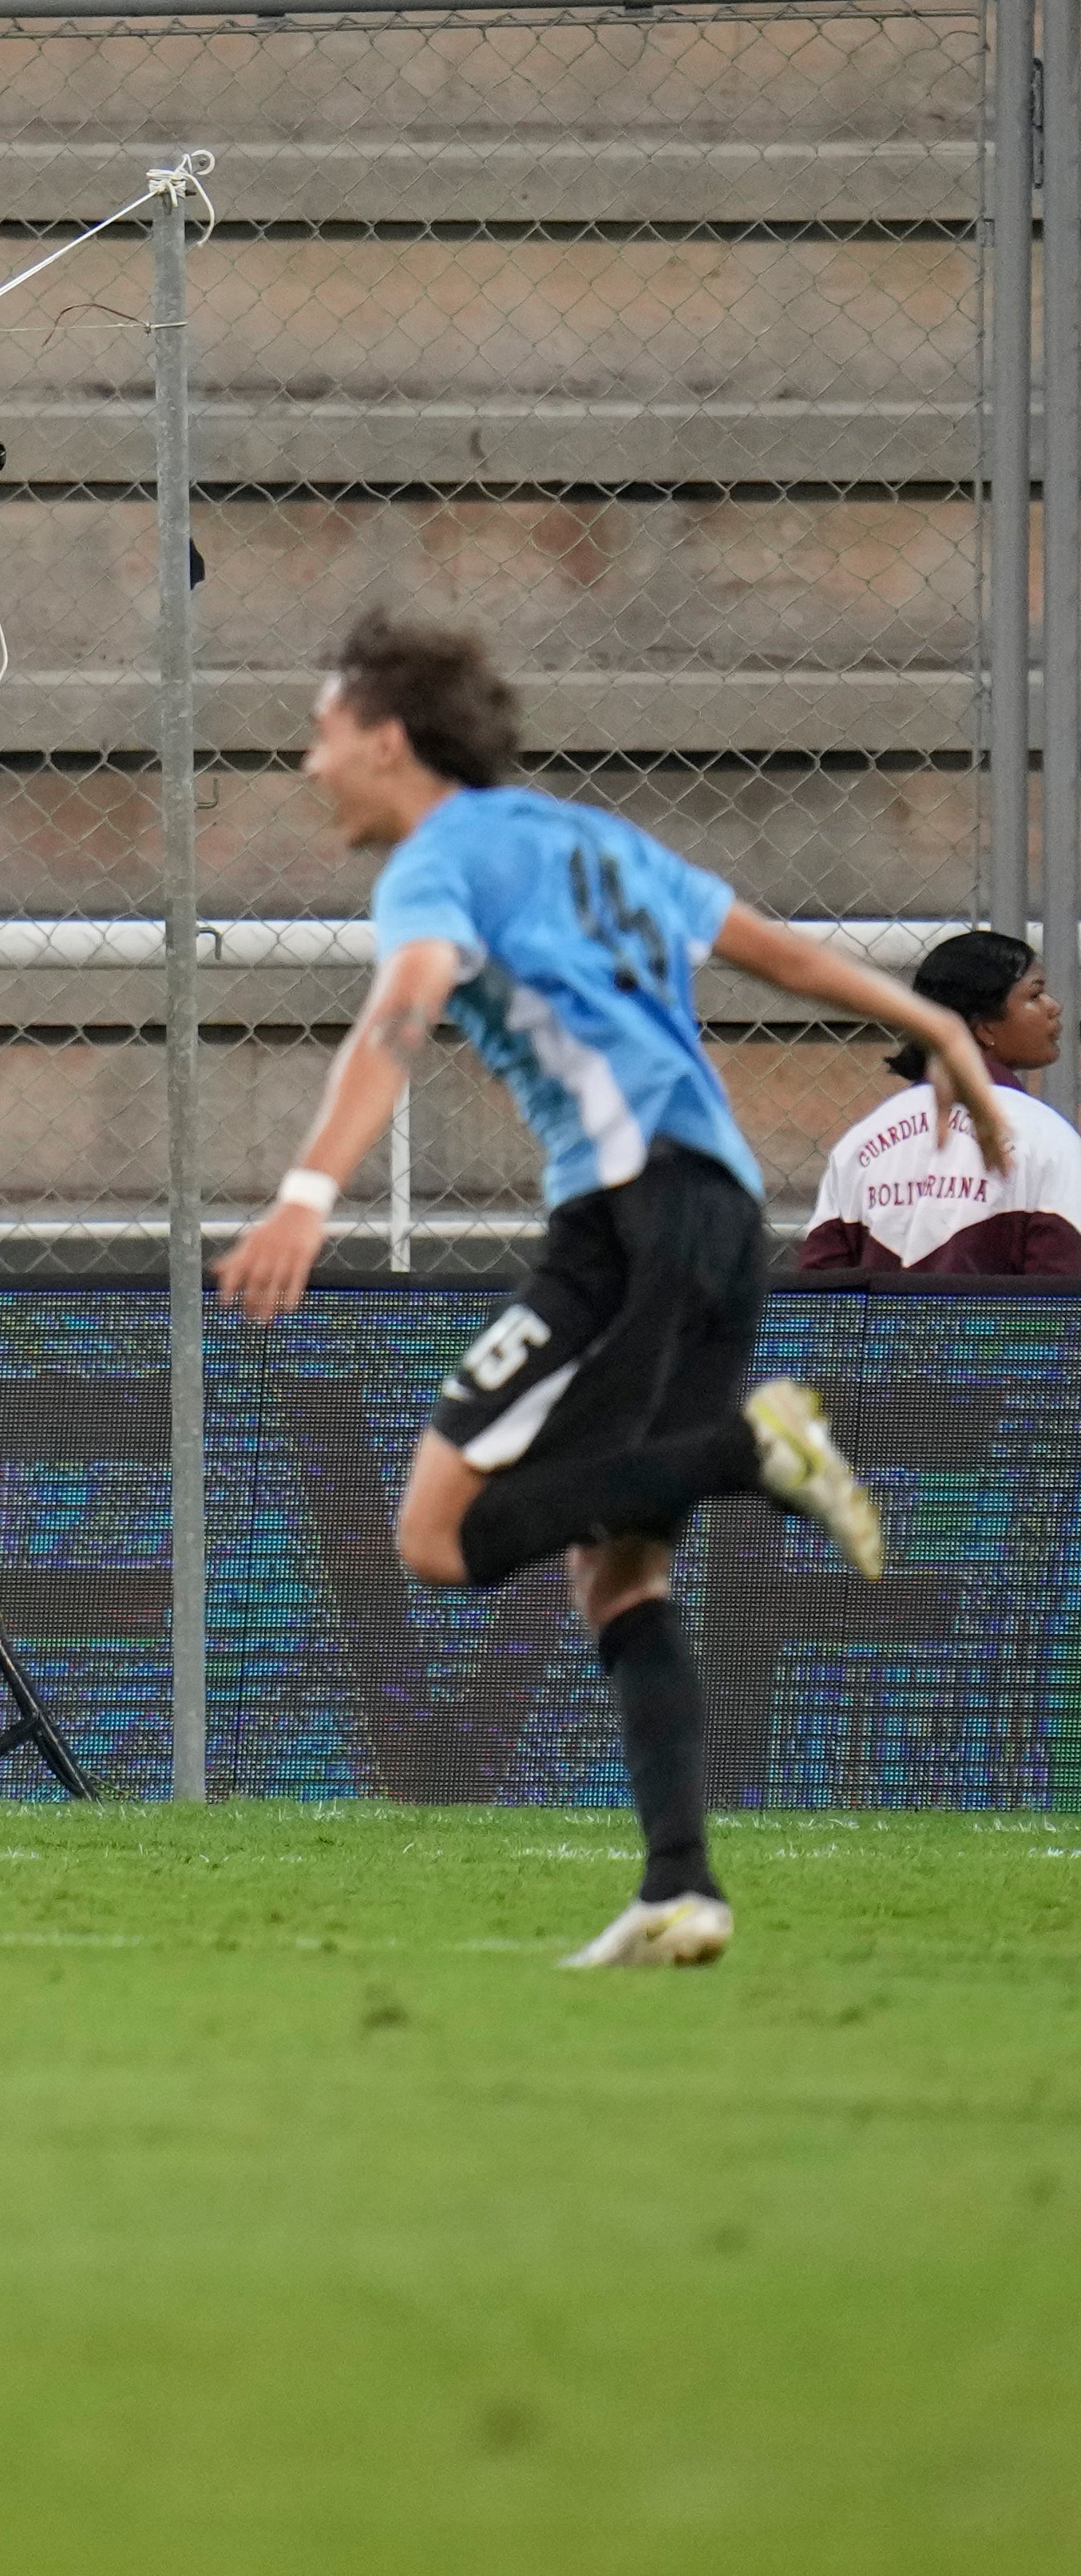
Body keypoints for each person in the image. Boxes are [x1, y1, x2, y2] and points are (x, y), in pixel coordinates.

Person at [212, 610, 1006, 1973]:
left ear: (388, 740)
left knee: (435, 1538)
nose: (309, 762)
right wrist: (928, 1020)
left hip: (623, 1227)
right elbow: (766, 945)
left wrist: (305, 1192)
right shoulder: (592, 837)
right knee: (621, 1566)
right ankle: (681, 1887)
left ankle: (751, 1448)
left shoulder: (437, 862)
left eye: (323, 732)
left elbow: (402, 1008)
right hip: (722, 1213)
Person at [798, 929, 1081, 1275]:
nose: (1054, 1007)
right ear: (984, 1028)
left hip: (883, 1330)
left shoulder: (861, 1142)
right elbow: (1060, 1296)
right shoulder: (1047, 1137)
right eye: (1035, 995)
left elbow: (820, 1295)